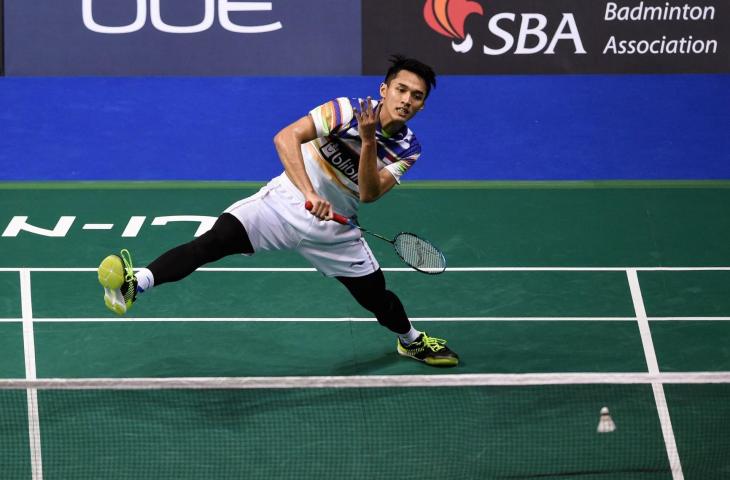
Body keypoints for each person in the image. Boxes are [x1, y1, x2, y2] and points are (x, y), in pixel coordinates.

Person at [97, 55, 459, 367]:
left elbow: (368, 194)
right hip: (282, 204)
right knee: (213, 241)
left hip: (335, 231)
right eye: (401, 89)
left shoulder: (409, 149)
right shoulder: (345, 109)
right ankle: (136, 283)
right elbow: (285, 137)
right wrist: (307, 192)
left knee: (375, 296)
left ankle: (410, 340)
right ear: (384, 90)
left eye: (417, 96)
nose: (407, 99)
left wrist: (367, 142)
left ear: (422, 105)